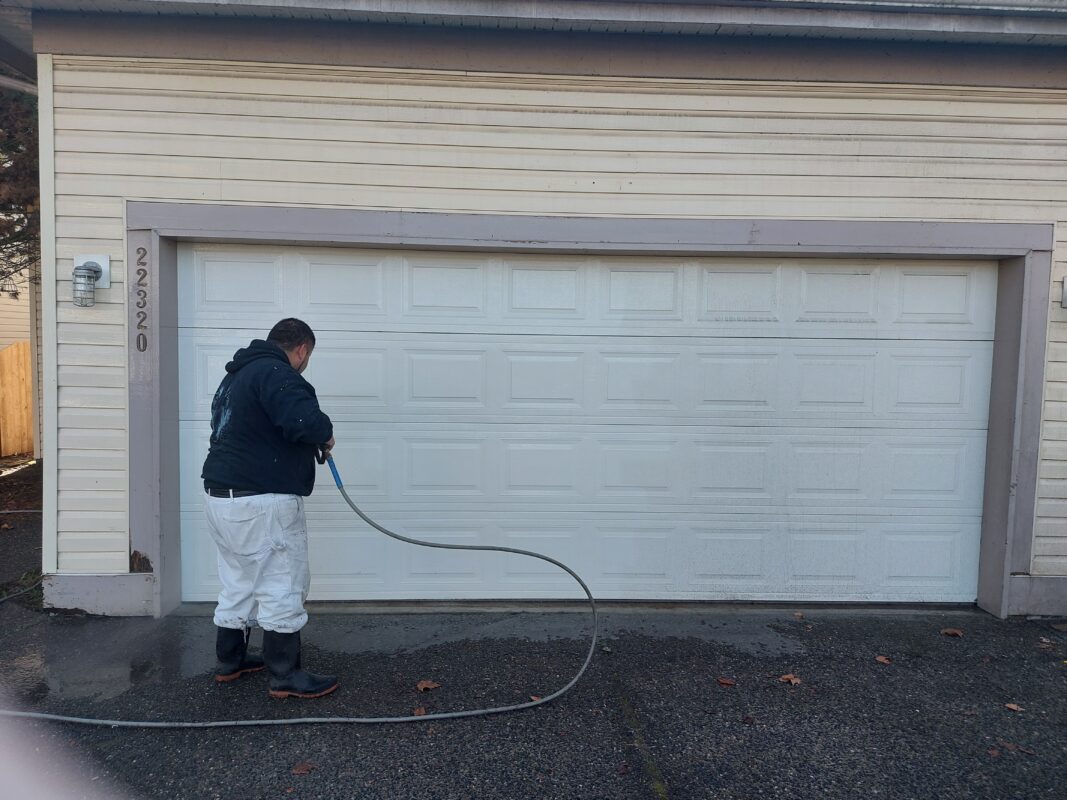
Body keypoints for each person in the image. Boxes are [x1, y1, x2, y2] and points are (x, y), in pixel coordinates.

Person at [201, 318, 338, 699]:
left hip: (221, 496)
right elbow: (304, 421)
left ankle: (230, 661)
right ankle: (285, 675)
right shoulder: (278, 373)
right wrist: (325, 434)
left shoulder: (235, 378)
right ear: (302, 350)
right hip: (262, 500)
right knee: (283, 582)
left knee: (238, 580)